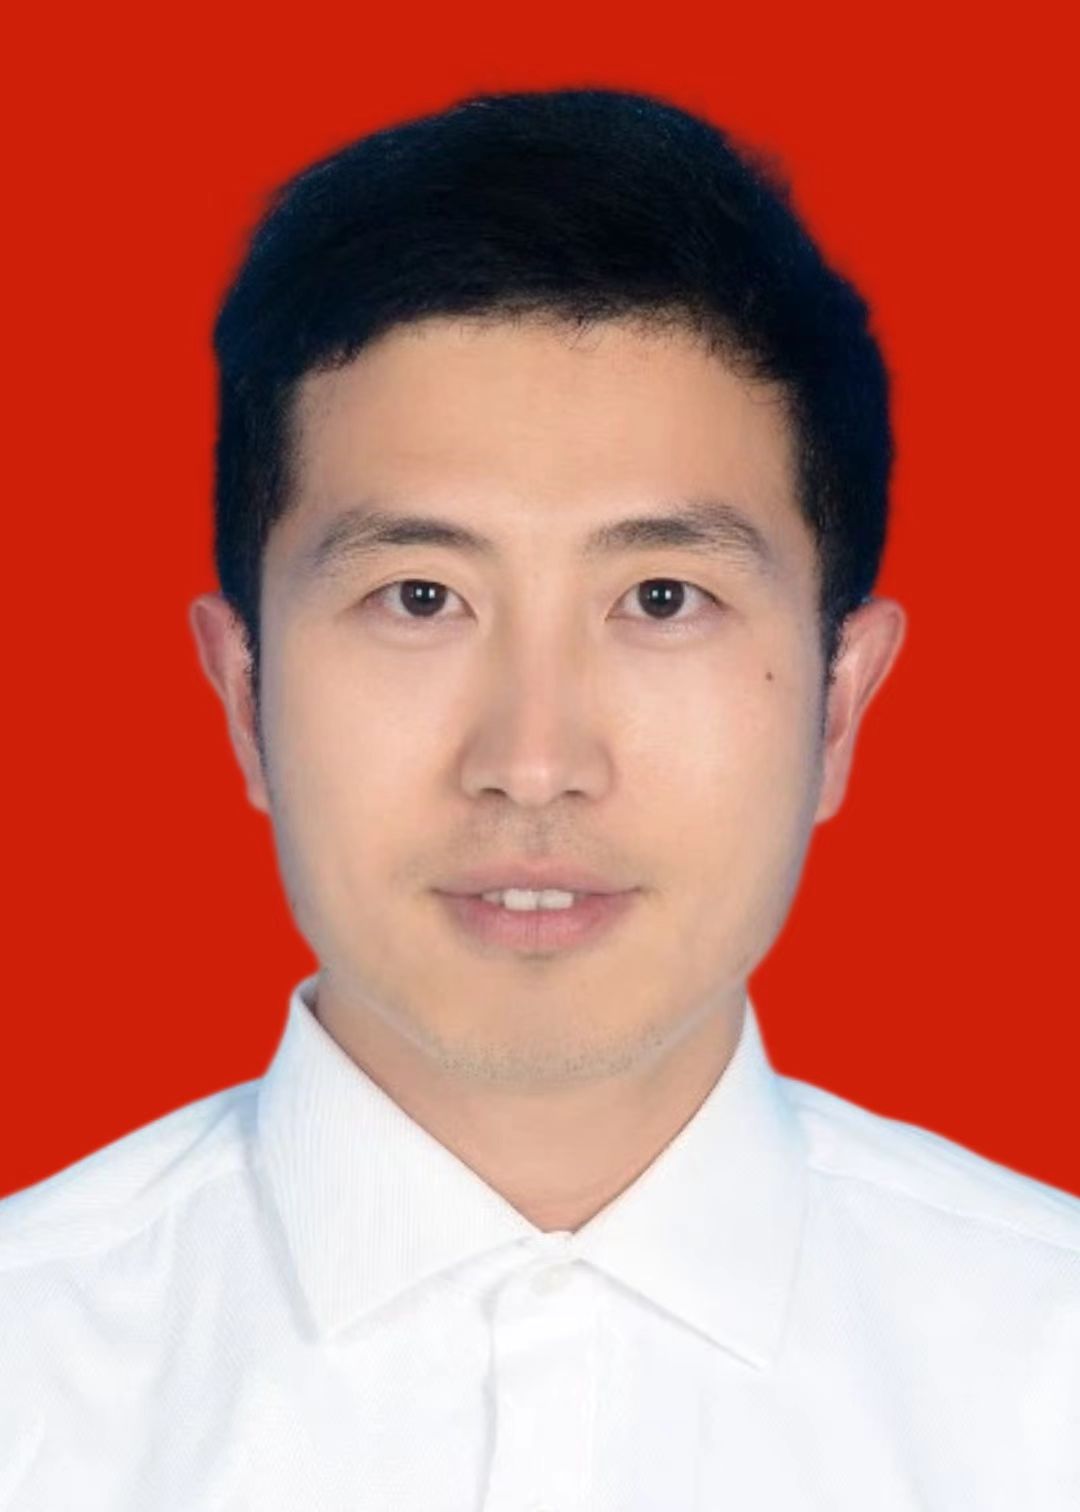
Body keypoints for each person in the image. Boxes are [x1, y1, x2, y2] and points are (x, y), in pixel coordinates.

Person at [1, 85, 1077, 1510]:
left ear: (838, 704)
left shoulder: (1047, 1372)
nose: (533, 757)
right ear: (243, 696)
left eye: (662, 597)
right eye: (421, 596)